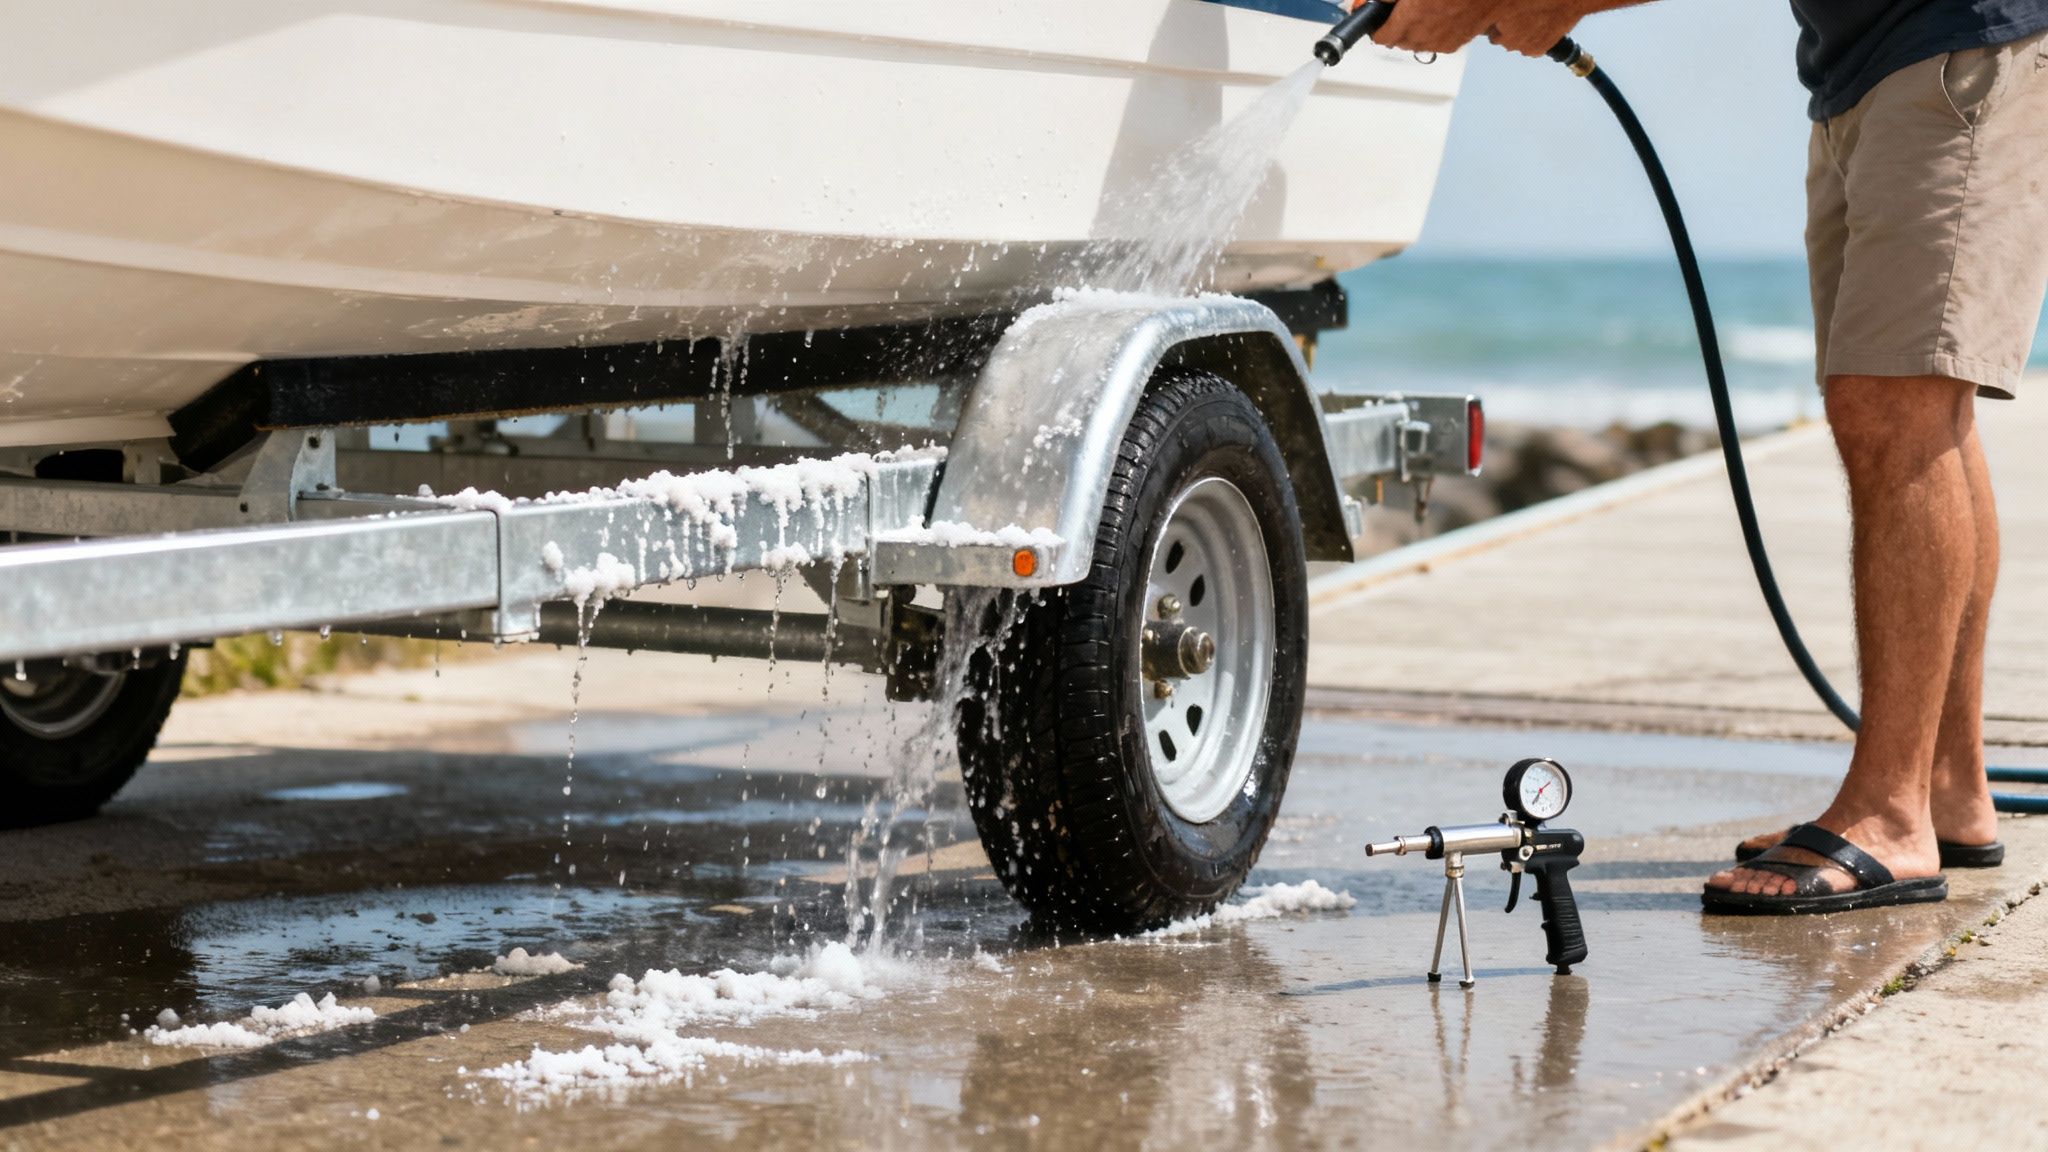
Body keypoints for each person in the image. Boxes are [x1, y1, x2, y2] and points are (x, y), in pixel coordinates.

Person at [1372, 0, 2048, 913]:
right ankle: (1943, 790)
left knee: (1896, 403)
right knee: (1917, 404)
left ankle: (1891, 813)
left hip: (1960, 36)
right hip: (1869, 59)